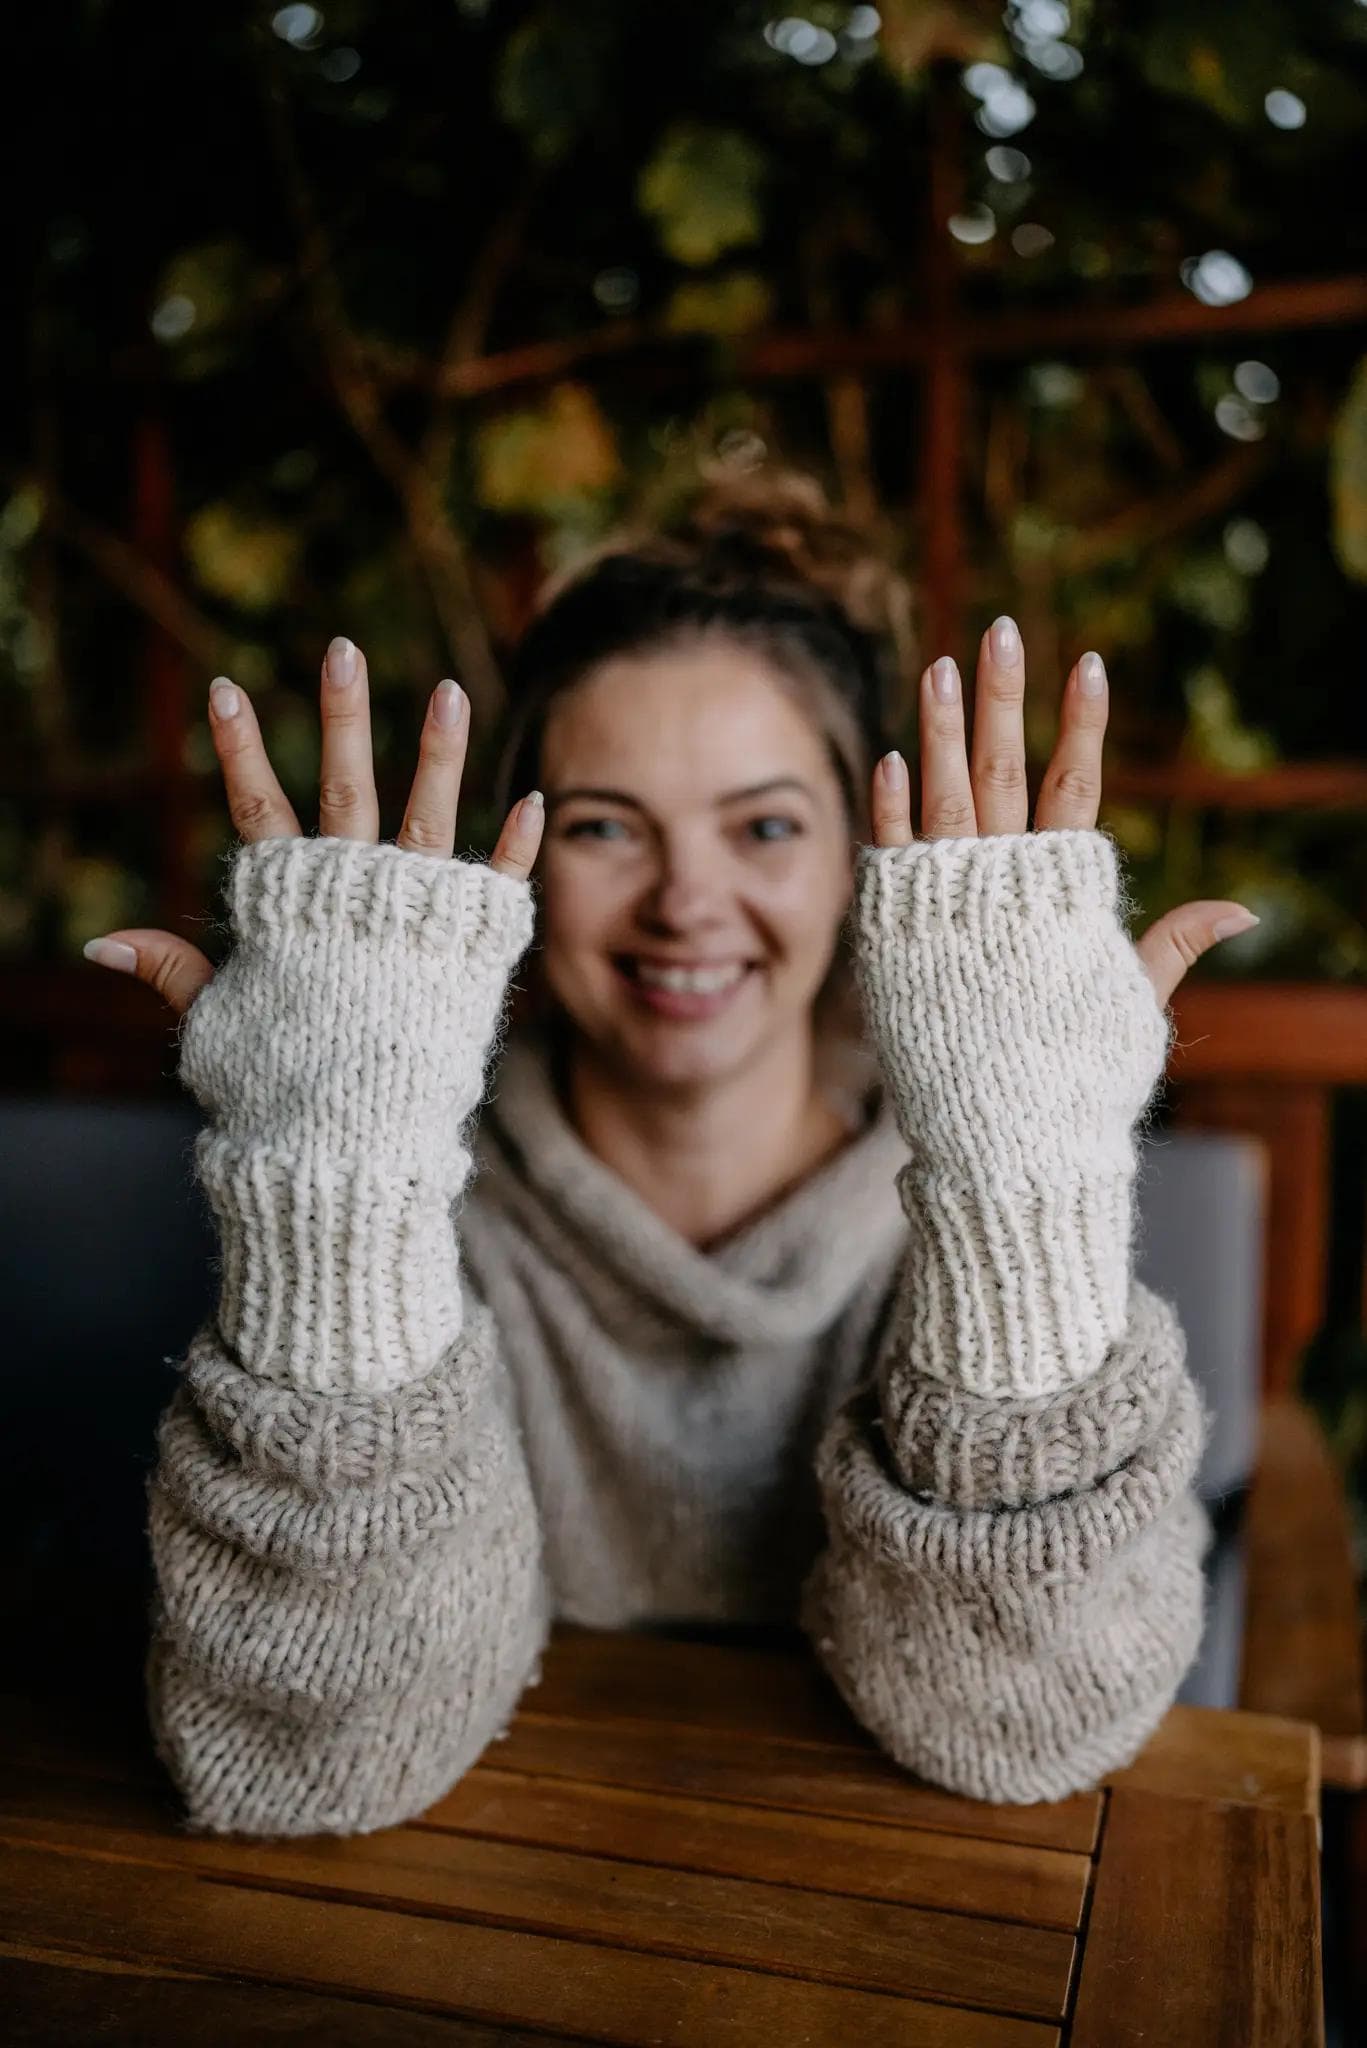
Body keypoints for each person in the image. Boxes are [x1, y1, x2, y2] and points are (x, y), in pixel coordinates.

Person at [83, 464, 1260, 1841]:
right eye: (601, 828)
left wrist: (1026, 1189)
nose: (688, 902)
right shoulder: (411, 1202)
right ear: (516, 867)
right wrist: (338, 1195)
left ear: (856, 871)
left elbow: (1030, 1738)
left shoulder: (964, 1216)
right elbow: (305, 1768)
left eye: (764, 826)